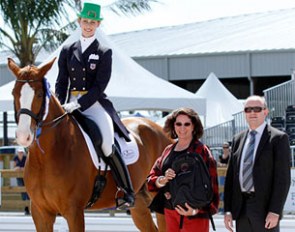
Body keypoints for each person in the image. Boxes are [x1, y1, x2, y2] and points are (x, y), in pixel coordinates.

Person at [55, 2, 134, 209]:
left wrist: (79, 104)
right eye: (85, 21)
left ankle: (126, 190)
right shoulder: (67, 49)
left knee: (107, 143)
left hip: (94, 104)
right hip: (69, 103)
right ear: (79, 22)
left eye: (92, 22)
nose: (88, 25)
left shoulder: (103, 51)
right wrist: (61, 104)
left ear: (98, 24)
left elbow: (100, 86)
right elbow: (61, 82)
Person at [223, 95, 291, 232]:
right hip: (241, 208)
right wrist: (228, 210)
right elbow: (231, 178)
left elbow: (282, 180)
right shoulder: (238, 139)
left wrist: (275, 211)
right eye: (248, 109)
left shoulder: (278, 138)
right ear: (244, 113)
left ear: (265, 112)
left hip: (265, 210)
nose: (252, 112)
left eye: (257, 109)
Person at [147, 107, 219, 232]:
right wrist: (162, 179)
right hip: (170, 212)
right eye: (178, 124)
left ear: (194, 127)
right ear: (173, 126)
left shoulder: (202, 151)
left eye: (187, 124)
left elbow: (213, 187)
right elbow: (150, 180)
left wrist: (197, 211)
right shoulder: (168, 150)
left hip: (194, 215)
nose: (182, 128)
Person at [13, 147, 30, 215]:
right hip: (19, 177)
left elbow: (28, 167)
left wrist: (23, 168)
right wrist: (17, 168)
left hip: (26, 177)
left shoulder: (26, 158)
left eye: (22, 152)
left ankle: (28, 207)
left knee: (27, 191)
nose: (20, 153)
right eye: (19, 152)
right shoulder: (15, 158)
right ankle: (26, 208)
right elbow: (14, 167)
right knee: (22, 192)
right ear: (17, 153)